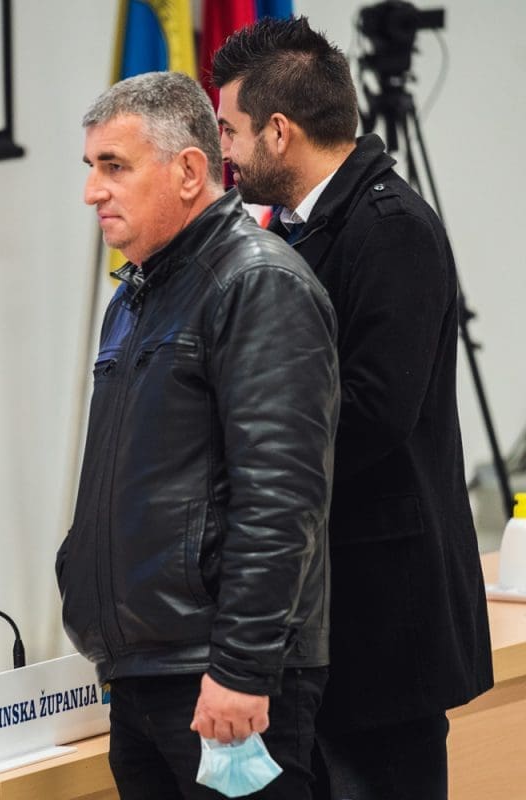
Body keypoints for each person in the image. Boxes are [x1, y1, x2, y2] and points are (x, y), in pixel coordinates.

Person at [212, 18, 492, 800]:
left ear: (279, 131)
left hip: (384, 620)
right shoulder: (297, 229)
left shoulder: (391, 228)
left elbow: (374, 410)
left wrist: (239, 451)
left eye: (230, 131)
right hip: (328, 614)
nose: (225, 153)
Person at [55, 71, 340, 799]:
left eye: (114, 166)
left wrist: (241, 667)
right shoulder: (135, 296)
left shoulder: (256, 282)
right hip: (145, 670)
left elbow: (281, 497)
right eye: (90, 167)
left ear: (188, 170)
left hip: (223, 676)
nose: (92, 191)